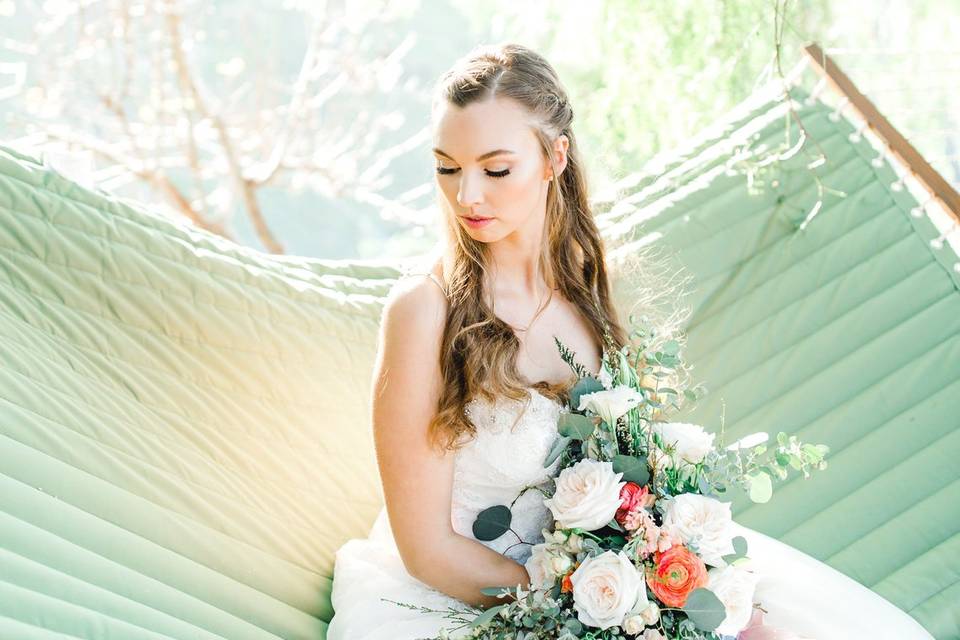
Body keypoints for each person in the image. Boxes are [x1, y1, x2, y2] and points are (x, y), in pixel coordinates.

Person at [326, 43, 934, 640]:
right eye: (447, 167)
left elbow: (629, 475)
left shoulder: (589, 292)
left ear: (554, 157)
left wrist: (653, 582)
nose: (468, 196)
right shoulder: (423, 311)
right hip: (470, 595)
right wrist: (588, 609)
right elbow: (426, 550)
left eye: (496, 168)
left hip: (605, 586)